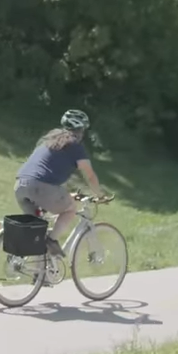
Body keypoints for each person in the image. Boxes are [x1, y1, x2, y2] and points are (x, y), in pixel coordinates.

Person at [14, 109, 109, 257]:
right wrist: (100, 195)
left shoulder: (49, 141)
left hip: (20, 185)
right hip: (40, 187)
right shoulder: (75, 146)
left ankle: (39, 275)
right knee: (70, 208)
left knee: (38, 233)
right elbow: (89, 175)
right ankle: (52, 240)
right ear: (81, 130)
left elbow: (45, 170)